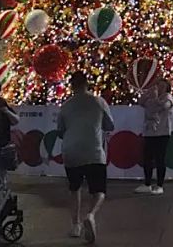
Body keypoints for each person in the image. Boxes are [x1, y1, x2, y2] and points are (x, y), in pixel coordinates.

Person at [57, 70, 115, 243]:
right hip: (94, 152)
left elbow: (60, 131)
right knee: (99, 191)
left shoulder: (66, 106)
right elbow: (110, 125)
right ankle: (90, 215)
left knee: (74, 189)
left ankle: (75, 225)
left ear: (72, 86)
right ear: (87, 84)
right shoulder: (99, 102)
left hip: (71, 152)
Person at [136, 78, 173, 195]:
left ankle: (159, 185)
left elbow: (165, 106)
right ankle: (147, 183)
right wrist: (148, 93)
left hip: (162, 132)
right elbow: (141, 102)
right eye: (158, 85)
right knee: (147, 159)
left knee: (160, 159)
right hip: (149, 132)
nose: (160, 88)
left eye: (163, 86)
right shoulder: (150, 97)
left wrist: (156, 99)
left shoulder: (168, 97)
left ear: (167, 88)